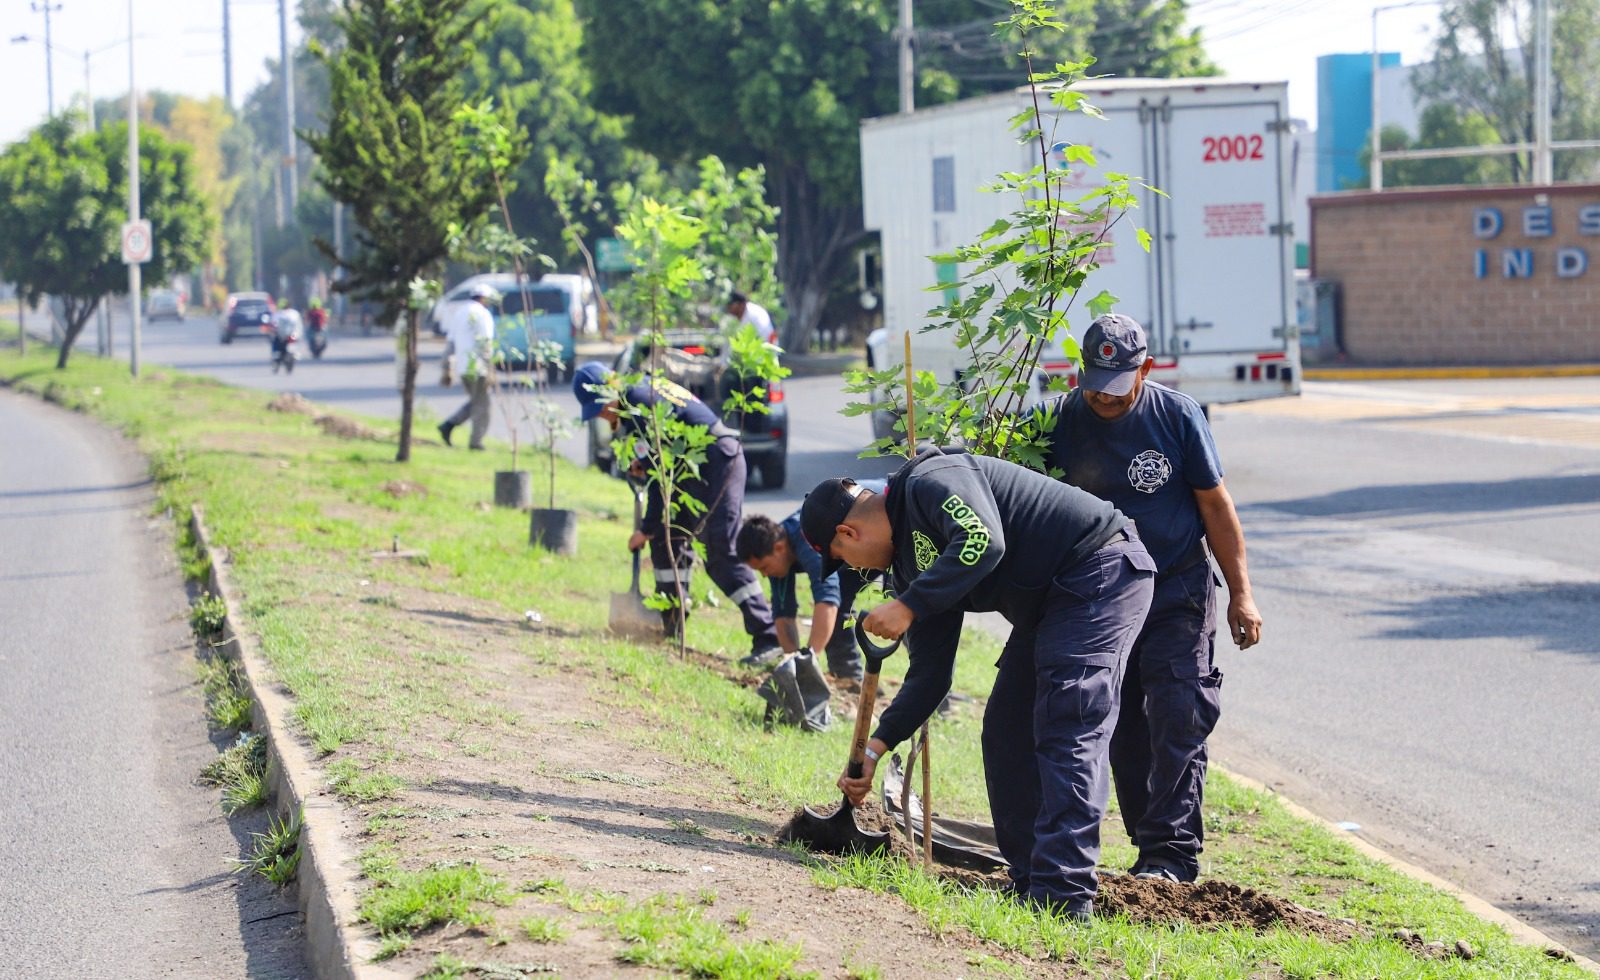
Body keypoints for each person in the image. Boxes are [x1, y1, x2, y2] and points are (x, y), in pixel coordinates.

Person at [801, 450, 1155, 919]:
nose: (856, 571)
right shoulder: (908, 571)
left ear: (847, 533)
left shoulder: (930, 479)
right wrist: (874, 750)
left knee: (1068, 723)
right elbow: (930, 676)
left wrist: (909, 607)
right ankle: (1032, 878)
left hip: (1100, 567)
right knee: (1007, 729)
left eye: (844, 559)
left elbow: (982, 539)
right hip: (1050, 604)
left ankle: (1065, 895)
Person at [1037, 312, 1263, 885]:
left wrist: (1242, 594)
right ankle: (1148, 841)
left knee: (1179, 714)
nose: (1105, 399)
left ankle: (1171, 854)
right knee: (1125, 728)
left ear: (1146, 369)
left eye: (1118, 385)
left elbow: (1215, 506)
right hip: (1103, 598)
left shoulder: (1177, 415)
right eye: (1096, 384)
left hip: (1176, 588)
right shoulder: (1060, 422)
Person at [573, 361, 781, 660]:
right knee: (666, 539)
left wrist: (644, 526)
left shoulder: (640, 402)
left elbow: (661, 474)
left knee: (720, 548)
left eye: (601, 408)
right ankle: (670, 624)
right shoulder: (638, 396)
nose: (604, 417)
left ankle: (768, 637)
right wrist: (643, 469)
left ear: (611, 390)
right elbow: (659, 461)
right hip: (693, 468)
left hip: (717, 461)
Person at [734, 483, 886, 683]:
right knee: (842, 606)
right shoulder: (778, 550)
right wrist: (793, 665)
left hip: (883, 525)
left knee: (905, 608)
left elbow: (827, 601)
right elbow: (783, 616)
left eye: (763, 567)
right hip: (854, 549)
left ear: (778, 548)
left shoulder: (806, 538)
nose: (764, 575)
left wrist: (808, 662)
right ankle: (849, 678)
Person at [438, 284, 499, 450]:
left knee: (476, 402)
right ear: (484, 298)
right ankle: (475, 442)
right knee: (483, 406)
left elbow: (450, 343)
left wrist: (446, 367)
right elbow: (485, 344)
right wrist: (490, 368)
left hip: (464, 367)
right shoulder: (483, 314)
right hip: (478, 366)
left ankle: (448, 425)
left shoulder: (459, 313)